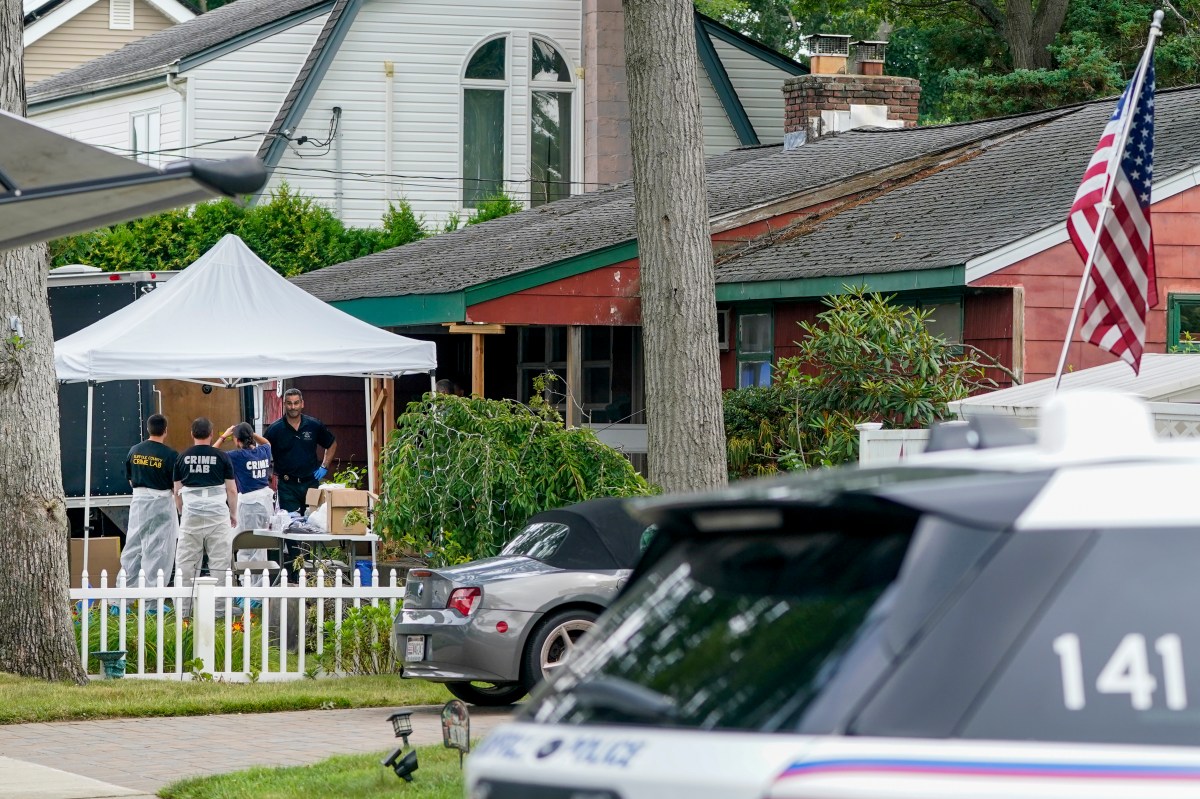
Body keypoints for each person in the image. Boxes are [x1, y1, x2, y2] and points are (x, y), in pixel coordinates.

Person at [173, 417, 236, 616]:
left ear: (192, 434)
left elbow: (177, 491)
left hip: (191, 514)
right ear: (211, 434)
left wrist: (183, 512)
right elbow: (232, 490)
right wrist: (233, 513)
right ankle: (219, 610)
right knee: (220, 563)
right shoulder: (222, 457)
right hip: (217, 515)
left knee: (186, 562)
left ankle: (184, 610)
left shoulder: (182, 458)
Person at [122, 414, 179, 586]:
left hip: (139, 503)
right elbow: (175, 486)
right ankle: (152, 598)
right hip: (161, 504)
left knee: (133, 546)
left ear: (148, 429)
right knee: (159, 550)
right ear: (166, 431)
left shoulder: (134, 450)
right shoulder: (170, 455)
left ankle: (122, 595)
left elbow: (130, 479)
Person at [265, 389, 337, 514]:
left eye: (296, 403)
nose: (293, 407)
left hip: (311, 483)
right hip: (287, 486)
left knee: (314, 521)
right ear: (284, 404)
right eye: (289, 403)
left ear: (302, 404)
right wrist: (268, 472)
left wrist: (324, 466)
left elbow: (332, 444)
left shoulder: (313, 425)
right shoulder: (275, 429)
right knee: (291, 524)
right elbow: (262, 450)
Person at [219, 422, 273, 587]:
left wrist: (223, 436)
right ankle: (259, 584)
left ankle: (248, 586)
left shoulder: (237, 456)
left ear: (236, 440)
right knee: (261, 545)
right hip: (265, 502)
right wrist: (252, 432)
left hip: (250, 503)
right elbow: (268, 443)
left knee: (247, 545)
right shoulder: (263, 451)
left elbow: (213, 454)